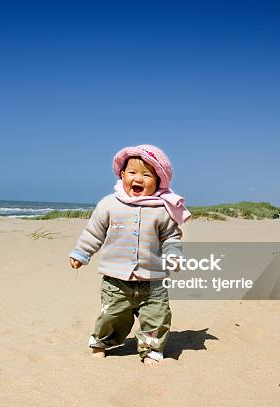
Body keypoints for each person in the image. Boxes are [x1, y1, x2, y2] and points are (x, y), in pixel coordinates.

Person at [69, 144, 190, 366]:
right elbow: (94, 232)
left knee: (157, 315)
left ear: (158, 181)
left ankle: (151, 350)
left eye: (146, 174)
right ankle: (101, 342)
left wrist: (173, 255)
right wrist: (81, 253)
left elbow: (171, 237)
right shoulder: (109, 204)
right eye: (132, 173)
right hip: (115, 279)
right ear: (122, 175)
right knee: (113, 314)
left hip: (153, 279)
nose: (138, 179)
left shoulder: (163, 209)